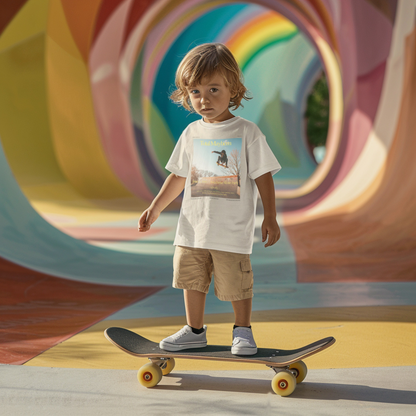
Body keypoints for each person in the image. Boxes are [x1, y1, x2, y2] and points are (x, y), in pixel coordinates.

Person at [138, 43, 281, 355]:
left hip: (231, 230)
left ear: (233, 87)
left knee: (237, 283)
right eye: (196, 92)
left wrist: (270, 215)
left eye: (214, 89)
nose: (204, 100)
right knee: (191, 278)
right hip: (193, 228)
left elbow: (263, 175)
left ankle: (242, 331)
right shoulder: (191, 133)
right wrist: (155, 207)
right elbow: (177, 176)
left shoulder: (247, 132)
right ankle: (194, 330)